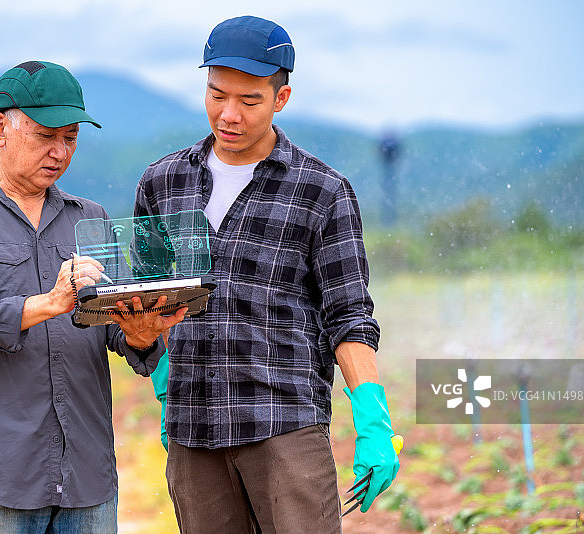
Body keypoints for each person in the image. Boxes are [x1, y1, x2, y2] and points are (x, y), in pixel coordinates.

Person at [139, 16, 399, 533]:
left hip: (282, 428)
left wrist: (372, 418)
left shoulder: (322, 191)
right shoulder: (162, 183)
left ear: (281, 99)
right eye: (216, 95)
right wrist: (165, 387)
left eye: (249, 101)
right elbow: (146, 302)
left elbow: (348, 317)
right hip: (194, 432)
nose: (228, 114)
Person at [0, 60, 185, 534]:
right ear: (0, 127)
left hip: (87, 477)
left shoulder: (91, 218)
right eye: (46, 135)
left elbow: (121, 333)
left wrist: (142, 334)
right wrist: (47, 303)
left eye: (70, 138)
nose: (59, 151)